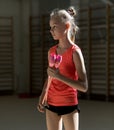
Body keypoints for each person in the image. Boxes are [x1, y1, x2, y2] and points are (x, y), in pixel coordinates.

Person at [37, 6, 88, 130]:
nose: (51, 30)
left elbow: (84, 86)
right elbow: (50, 75)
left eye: (54, 26)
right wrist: (43, 93)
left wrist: (59, 76)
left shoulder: (75, 52)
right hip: (51, 102)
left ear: (67, 26)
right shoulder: (51, 51)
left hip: (69, 104)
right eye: (50, 27)